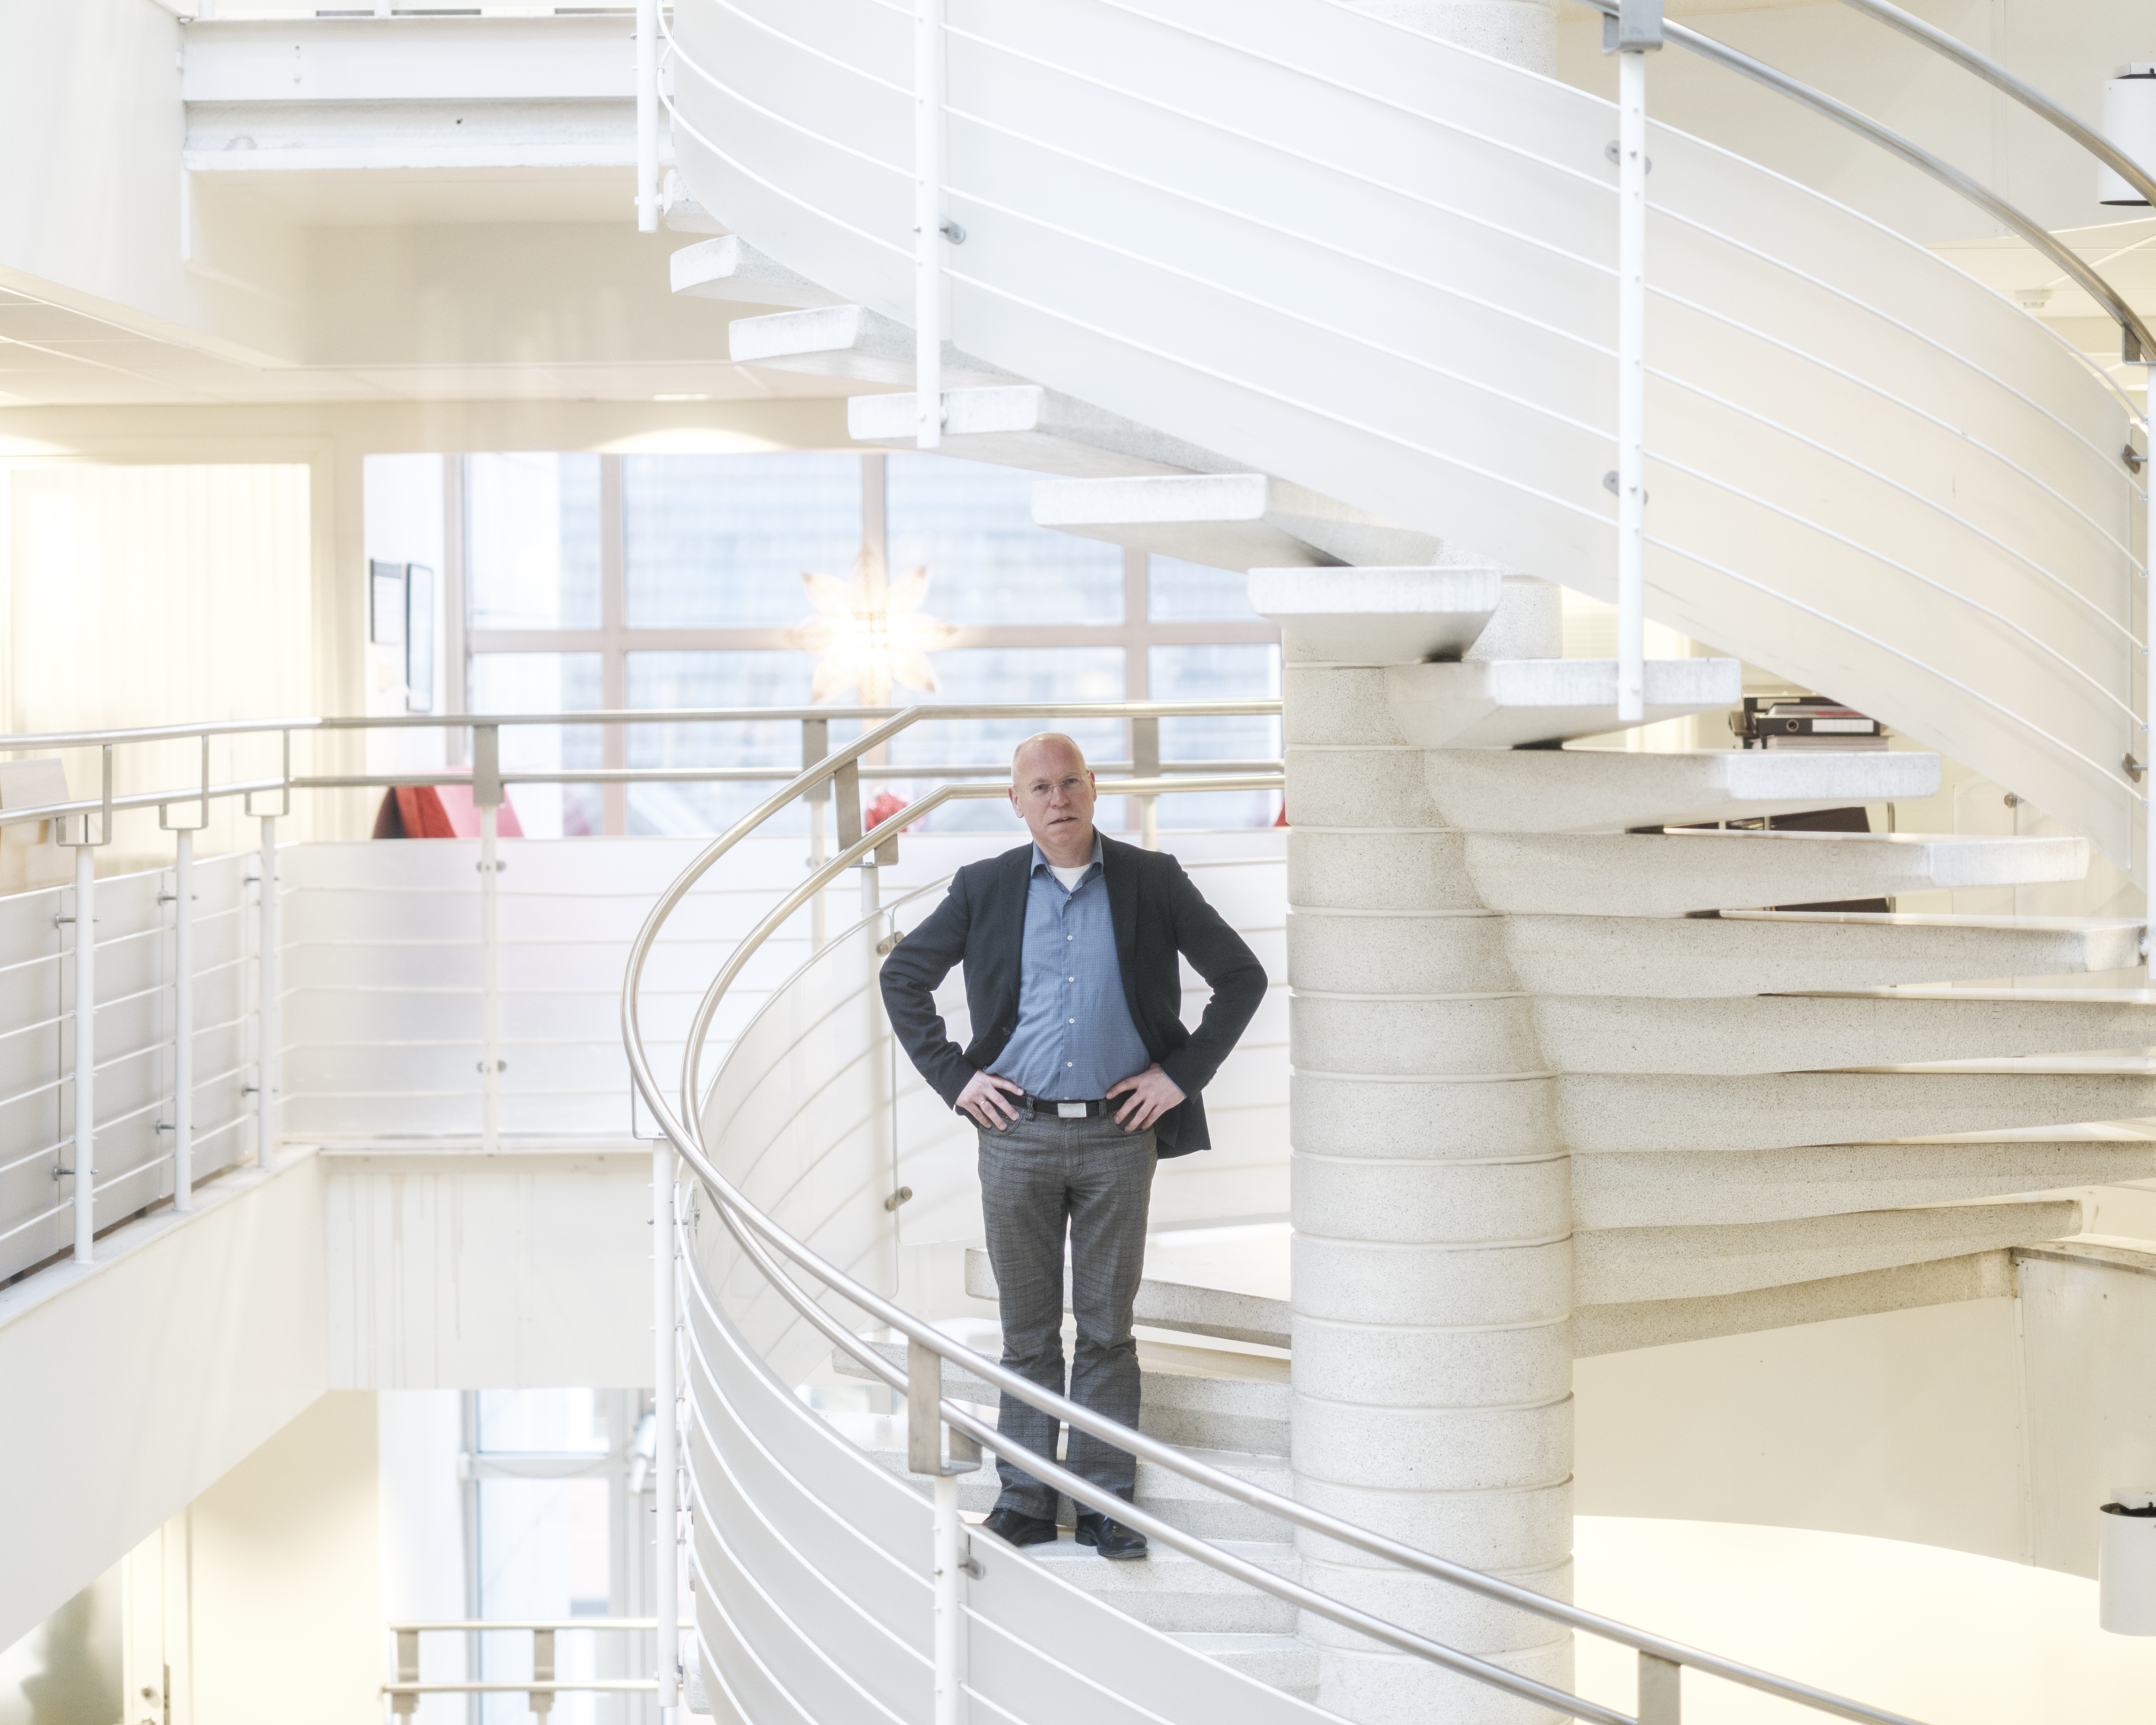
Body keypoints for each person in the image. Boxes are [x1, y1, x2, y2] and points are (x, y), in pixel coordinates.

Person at [880, 732, 1268, 1560]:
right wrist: (957, 1080)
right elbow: (902, 977)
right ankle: (1025, 1499)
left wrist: (1179, 1076)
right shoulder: (983, 888)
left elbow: (1243, 978)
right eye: (1040, 788)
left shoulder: (1150, 881)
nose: (1058, 800)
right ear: (1016, 803)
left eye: (1070, 783)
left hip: (1117, 1139)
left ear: (1095, 790)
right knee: (1026, 1334)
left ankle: (1102, 1505)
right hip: (1013, 1135)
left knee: (1105, 1330)